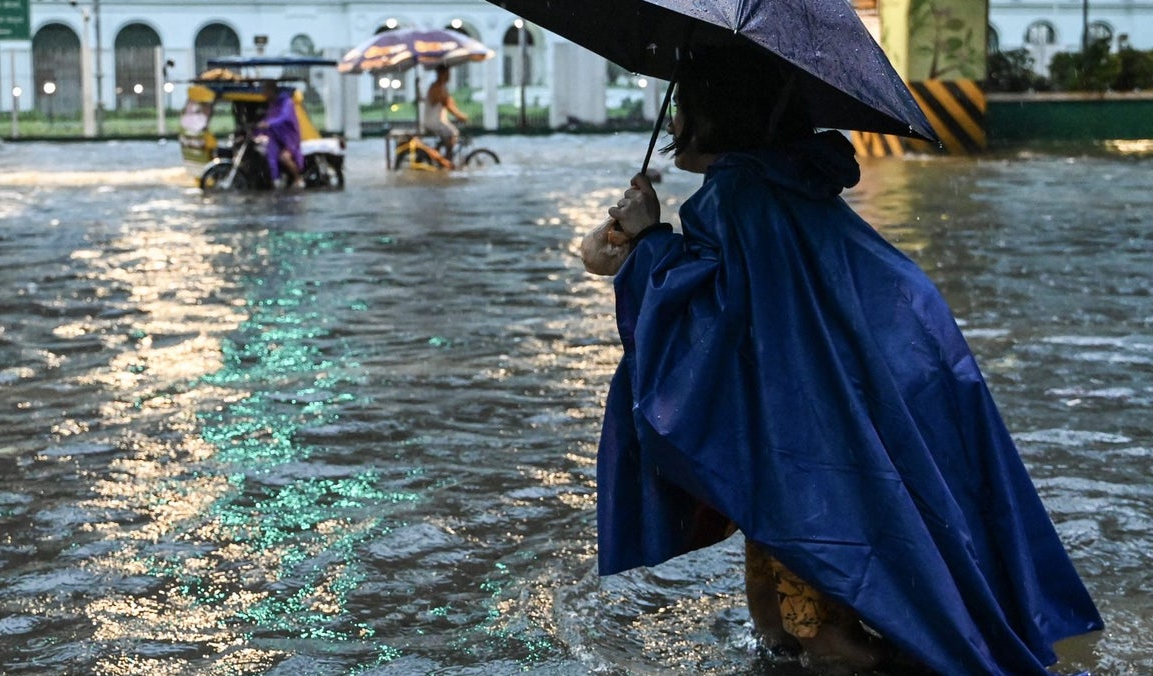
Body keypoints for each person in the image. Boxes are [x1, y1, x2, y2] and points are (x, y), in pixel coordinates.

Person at [580, 51, 1101, 675]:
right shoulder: (785, 181)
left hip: (806, 439)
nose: (673, 118)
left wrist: (645, 245)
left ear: (714, 115)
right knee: (783, 619)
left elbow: (714, 325)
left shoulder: (740, 196)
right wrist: (648, 244)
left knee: (820, 638)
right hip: (878, 389)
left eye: (684, 102)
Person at [255, 84, 303, 188]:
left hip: (289, 137)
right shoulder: (272, 104)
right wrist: (257, 131)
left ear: (272, 91)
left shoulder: (287, 102)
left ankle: (298, 178)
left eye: (266, 91)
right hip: (275, 136)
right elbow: (267, 119)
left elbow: (284, 117)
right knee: (270, 156)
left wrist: (269, 123)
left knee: (284, 157)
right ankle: (275, 181)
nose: (264, 94)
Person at [422, 64, 468, 160]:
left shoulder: (442, 87)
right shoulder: (436, 88)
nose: (448, 76)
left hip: (439, 120)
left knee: (449, 135)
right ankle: (447, 159)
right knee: (453, 133)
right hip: (434, 121)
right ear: (440, 74)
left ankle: (439, 153)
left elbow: (451, 102)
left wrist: (459, 113)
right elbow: (447, 105)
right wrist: (460, 116)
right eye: (446, 74)